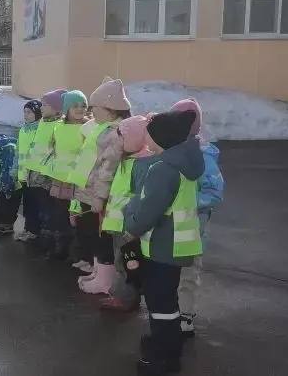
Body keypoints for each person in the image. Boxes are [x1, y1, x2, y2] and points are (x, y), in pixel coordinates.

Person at [122, 109, 203, 376]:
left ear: (162, 139)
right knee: (166, 300)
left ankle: (163, 357)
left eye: (150, 137)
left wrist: (130, 223)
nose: (147, 142)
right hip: (178, 244)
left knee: (161, 303)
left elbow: (149, 210)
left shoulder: (165, 168)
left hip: (163, 246)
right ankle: (167, 347)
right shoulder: (185, 163)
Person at [70, 77, 132, 294]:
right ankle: (98, 272)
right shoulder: (100, 127)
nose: (91, 111)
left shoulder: (115, 133)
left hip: (101, 197)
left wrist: (99, 197)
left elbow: (107, 169)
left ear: (111, 109)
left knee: (102, 237)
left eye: (95, 107)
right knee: (92, 235)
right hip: (88, 192)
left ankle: (105, 281)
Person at [170, 98, 225, 337]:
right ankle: (169, 310)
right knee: (169, 270)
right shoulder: (169, 150)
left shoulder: (204, 155)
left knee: (188, 271)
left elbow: (214, 192)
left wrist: (190, 205)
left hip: (192, 225)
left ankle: (185, 314)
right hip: (168, 225)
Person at [99, 115, 158, 312]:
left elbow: (141, 198)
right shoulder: (130, 160)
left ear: (134, 139)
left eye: (122, 138)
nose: (119, 143)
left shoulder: (142, 165)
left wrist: (132, 224)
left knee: (127, 263)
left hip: (128, 226)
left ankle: (125, 299)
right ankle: (123, 296)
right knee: (123, 261)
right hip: (119, 224)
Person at [46, 90, 88, 260]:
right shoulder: (58, 127)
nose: (80, 109)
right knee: (61, 215)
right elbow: (52, 149)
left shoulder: (88, 128)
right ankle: (62, 247)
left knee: (79, 216)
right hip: (60, 179)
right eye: (75, 106)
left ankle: (80, 252)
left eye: (83, 105)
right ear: (66, 109)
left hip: (79, 180)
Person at [26, 89, 66, 247]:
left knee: (50, 208)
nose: (41, 108)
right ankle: (42, 233)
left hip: (47, 176)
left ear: (56, 108)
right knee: (40, 206)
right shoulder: (43, 122)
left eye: (45, 105)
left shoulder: (58, 125)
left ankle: (52, 238)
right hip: (35, 173)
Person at [15, 100, 44, 242]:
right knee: (27, 204)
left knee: (34, 204)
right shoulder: (23, 129)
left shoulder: (40, 129)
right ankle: (28, 228)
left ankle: (34, 230)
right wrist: (15, 169)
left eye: (29, 112)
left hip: (35, 175)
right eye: (24, 112)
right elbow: (18, 150)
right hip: (23, 175)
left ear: (37, 113)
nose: (26, 115)